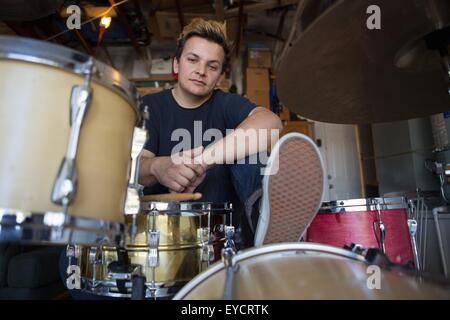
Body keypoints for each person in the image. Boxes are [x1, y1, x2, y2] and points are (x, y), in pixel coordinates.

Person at [138, 18, 283, 246]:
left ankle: (265, 233)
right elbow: (136, 168)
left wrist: (203, 162)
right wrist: (159, 167)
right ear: (176, 64)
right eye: (193, 60)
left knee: (252, 154)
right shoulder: (150, 106)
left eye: (212, 66)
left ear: (220, 77)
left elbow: (271, 123)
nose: (201, 71)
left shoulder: (227, 104)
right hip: (166, 233)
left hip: (226, 237)